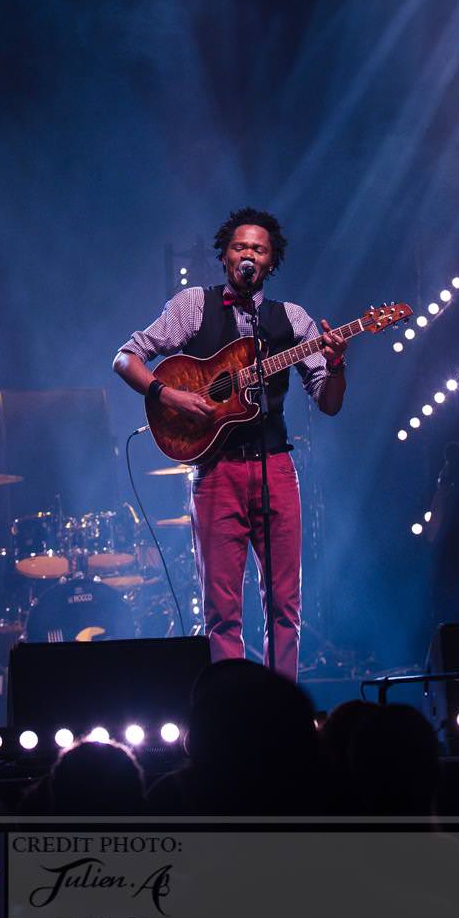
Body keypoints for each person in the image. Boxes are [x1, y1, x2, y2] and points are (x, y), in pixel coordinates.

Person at [113, 206, 348, 679]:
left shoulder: (292, 319)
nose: (248, 255)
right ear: (224, 256)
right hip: (216, 471)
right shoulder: (193, 306)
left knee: (285, 604)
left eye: (259, 249)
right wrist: (169, 395)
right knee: (221, 610)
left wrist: (337, 364)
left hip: (275, 467)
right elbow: (126, 358)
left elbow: (328, 402)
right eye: (240, 246)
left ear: (270, 262)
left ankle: (280, 704)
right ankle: (230, 706)